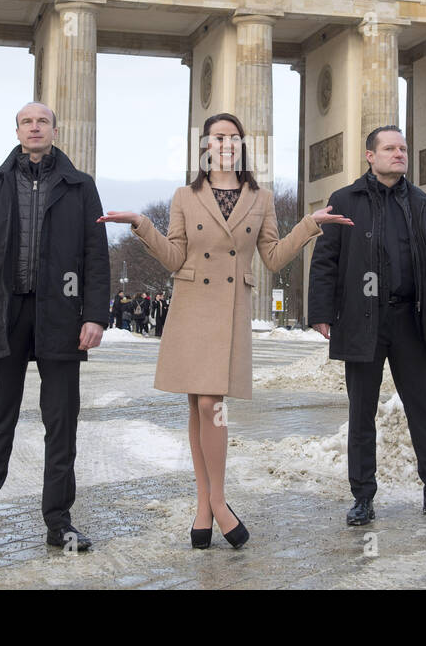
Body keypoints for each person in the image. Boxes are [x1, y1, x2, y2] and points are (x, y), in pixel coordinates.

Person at [99, 111, 348, 549]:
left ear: (241, 145)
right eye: (218, 137)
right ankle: (207, 504)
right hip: (192, 307)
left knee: (213, 404)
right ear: (205, 146)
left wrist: (310, 225)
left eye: (234, 137)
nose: (227, 143)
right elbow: (175, 258)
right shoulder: (184, 196)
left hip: (231, 309)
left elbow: (272, 257)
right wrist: (142, 225)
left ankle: (215, 501)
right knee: (198, 406)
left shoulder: (262, 197)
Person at [0, 102, 110, 558]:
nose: (34, 128)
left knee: (61, 423)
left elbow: (96, 256)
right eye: (26, 122)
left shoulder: (80, 186)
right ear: (17, 130)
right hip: (4, 315)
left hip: (62, 315)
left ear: (55, 129)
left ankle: (59, 523)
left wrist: (95, 314)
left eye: (42, 121)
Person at [308, 124, 426, 528]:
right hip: (361, 319)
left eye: (402, 148)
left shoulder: (423, 204)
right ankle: (363, 498)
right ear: (370, 155)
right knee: (362, 412)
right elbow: (325, 260)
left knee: (422, 410)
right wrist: (321, 312)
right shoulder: (344, 200)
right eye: (389, 148)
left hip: (411, 320)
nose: (398, 154)